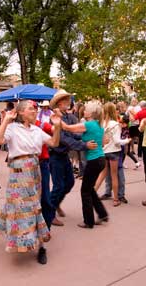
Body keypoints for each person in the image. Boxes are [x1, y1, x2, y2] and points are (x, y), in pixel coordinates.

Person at [0, 100, 61, 265]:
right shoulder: (13, 128)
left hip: (35, 170)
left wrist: (57, 127)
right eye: (31, 108)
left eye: (35, 108)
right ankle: (19, 241)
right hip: (18, 172)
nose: (34, 110)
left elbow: (54, 143)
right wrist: (6, 120)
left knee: (37, 206)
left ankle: (41, 246)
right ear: (21, 112)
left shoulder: (37, 129)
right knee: (18, 208)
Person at [48, 90, 96, 227]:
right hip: (55, 156)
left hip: (64, 156)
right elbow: (64, 139)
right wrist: (84, 145)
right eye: (66, 100)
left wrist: (87, 136)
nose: (68, 102)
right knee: (58, 186)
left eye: (68, 100)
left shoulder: (69, 117)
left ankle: (55, 203)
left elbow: (74, 133)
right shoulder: (54, 118)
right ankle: (49, 214)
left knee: (69, 183)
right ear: (59, 103)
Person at [61, 101, 109, 229]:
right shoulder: (99, 125)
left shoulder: (89, 124)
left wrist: (56, 119)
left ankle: (88, 221)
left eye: (86, 109)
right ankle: (102, 213)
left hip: (94, 161)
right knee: (90, 188)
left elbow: (67, 128)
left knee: (85, 191)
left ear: (92, 113)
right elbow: (103, 141)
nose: (84, 111)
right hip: (100, 159)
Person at [96, 102, 130, 206]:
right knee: (114, 175)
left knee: (102, 174)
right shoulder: (115, 124)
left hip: (103, 151)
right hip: (114, 152)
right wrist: (127, 141)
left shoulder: (101, 123)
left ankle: (93, 192)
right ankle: (115, 199)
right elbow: (117, 141)